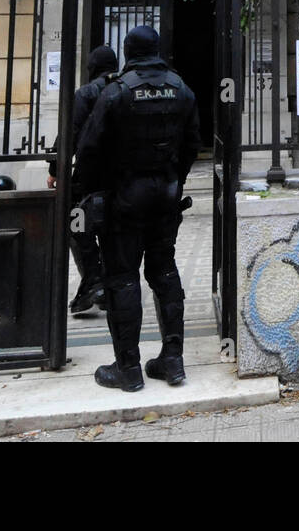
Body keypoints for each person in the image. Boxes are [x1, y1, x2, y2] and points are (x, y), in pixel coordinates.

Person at [76, 25, 200, 391]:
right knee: (164, 271)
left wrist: (94, 191)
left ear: (128, 52)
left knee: (123, 277)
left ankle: (128, 368)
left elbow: (88, 150)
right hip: (165, 194)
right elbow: (193, 144)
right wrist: (173, 178)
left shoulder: (116, 92)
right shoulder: (182, 90)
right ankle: (173, 362)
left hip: (124, 197)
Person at [46, 44, 118, 315]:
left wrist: (55, 169)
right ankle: (108, 282)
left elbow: (69, 134)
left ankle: (94, 280)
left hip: (89, 177)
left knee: (77, 225)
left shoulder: (86, 94)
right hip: (121, 177)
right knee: (112, 229)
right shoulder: (123, 87)